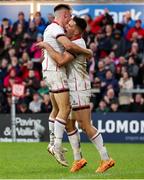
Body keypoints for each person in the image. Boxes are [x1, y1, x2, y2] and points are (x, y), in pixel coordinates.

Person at [38, 16, 115, 173]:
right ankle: (78, 158)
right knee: (69, 124)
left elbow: (60, 61)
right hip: (73, 88)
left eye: (71, 25)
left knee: (86, 126)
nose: (67, 26)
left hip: (79, 88)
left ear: (78, 30)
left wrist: (47, 46)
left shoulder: (77, 44)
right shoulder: (73, 43)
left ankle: (106, 159)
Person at [37, 4, 92, 167]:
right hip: (56, 71)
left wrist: (47, 47)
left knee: (57, 110)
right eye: (69, 17)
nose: (70, 21)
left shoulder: (51, 29)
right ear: (65, 15)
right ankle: (56, 146)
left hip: (51, 71)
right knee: (66, 110)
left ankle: (55, 144)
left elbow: (65, 47)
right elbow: (67, 47)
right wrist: (87, 51)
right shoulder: (55, 29)